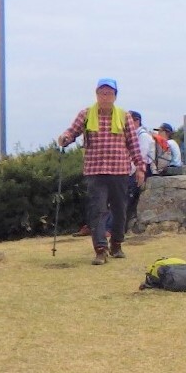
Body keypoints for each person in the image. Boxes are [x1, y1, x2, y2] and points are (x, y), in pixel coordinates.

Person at [57, 78, 146, 264]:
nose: (105, 97)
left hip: (119, 170)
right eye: (102, 93)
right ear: (96, 94)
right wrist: (65, 138)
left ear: (115, 96)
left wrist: (140, 167)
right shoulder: (86, 114)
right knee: (97, 210)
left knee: (120, 210)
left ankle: (117, 243)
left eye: (109, 93)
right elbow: (72, 132)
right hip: (94, 170)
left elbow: (133, 144)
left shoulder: (124, 116)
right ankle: (100, 249)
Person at [125, 110, 156, 233]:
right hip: (135, 170)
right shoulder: (137, 136)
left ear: (136, 121)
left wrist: (130, 172)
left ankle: (116, 228)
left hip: (143, 170)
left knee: (126, 198)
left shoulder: (143, 136)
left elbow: (141, 158)